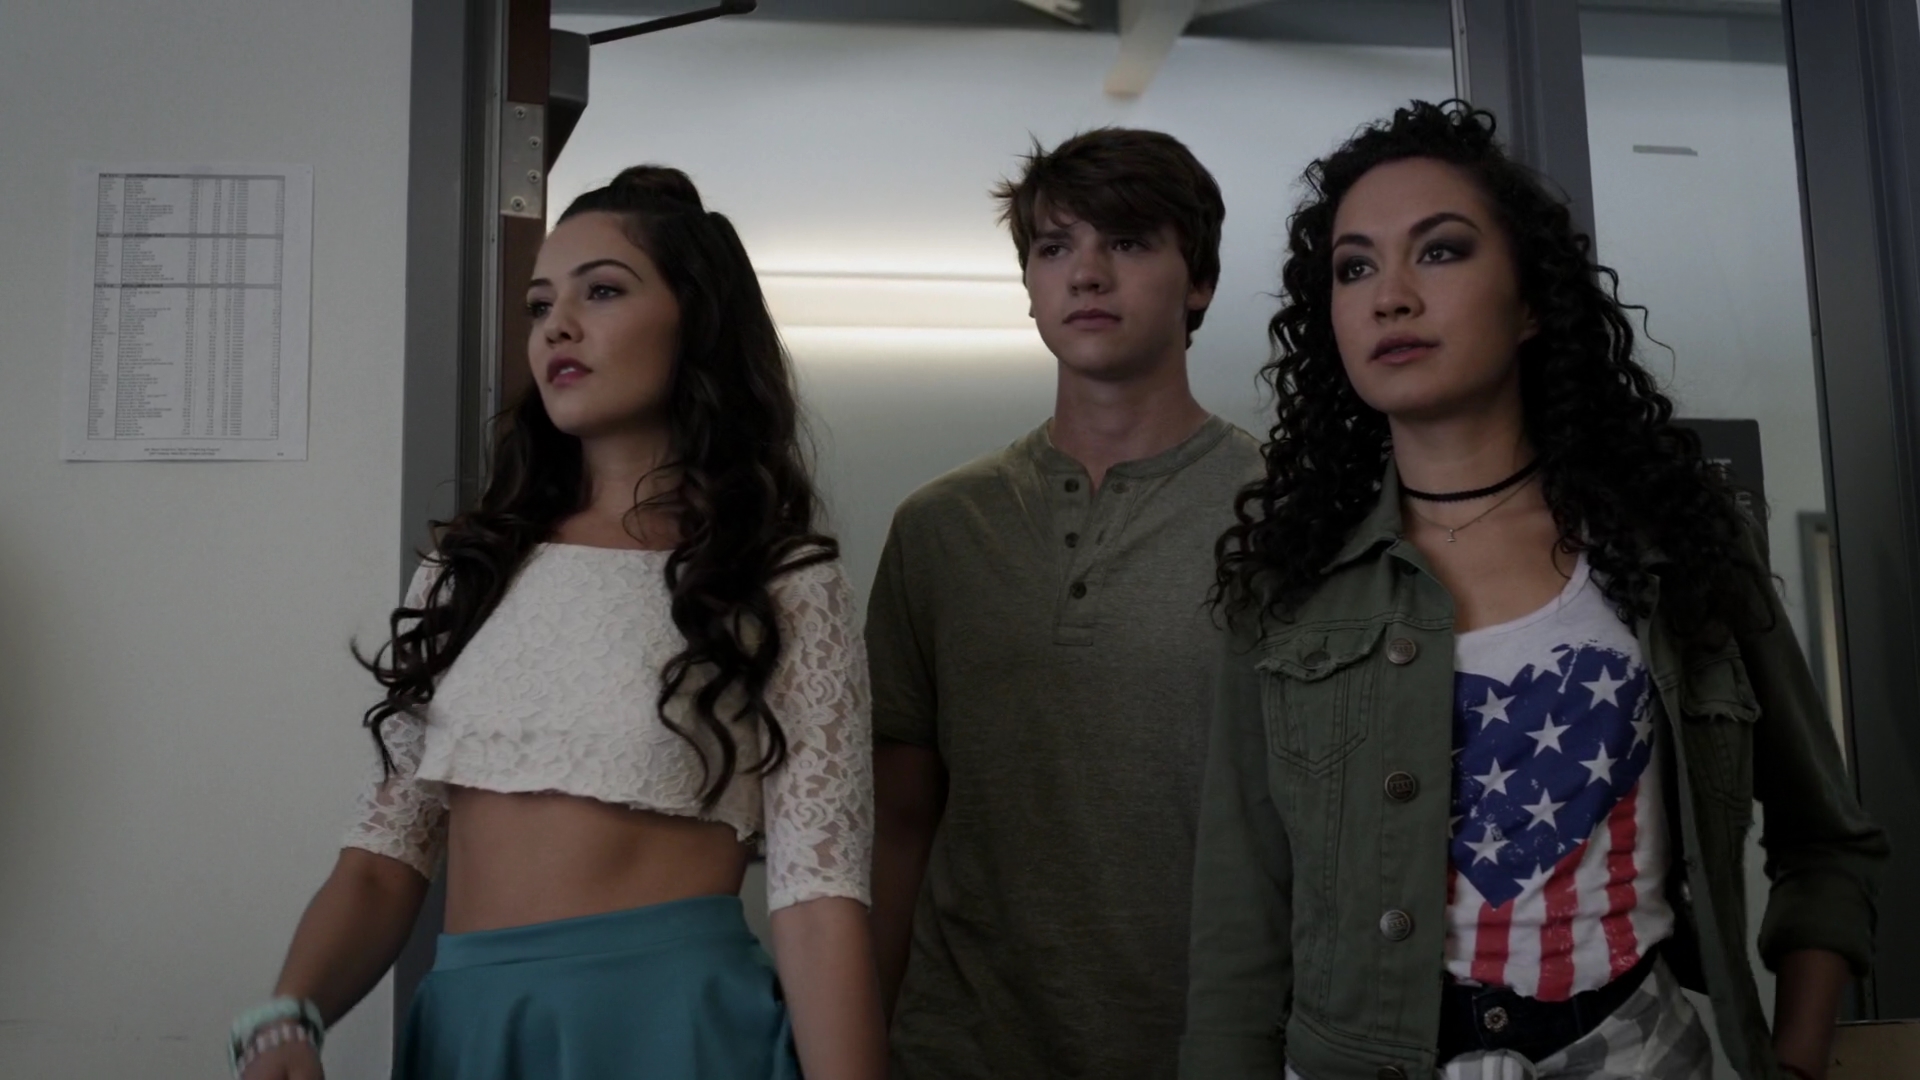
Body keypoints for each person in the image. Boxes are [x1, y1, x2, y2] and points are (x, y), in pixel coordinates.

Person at [1183, 100, 1887, 1080]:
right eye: (1354, 268)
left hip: (1636, 1052)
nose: (1390, 296)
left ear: (1531, 303)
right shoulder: (1288, 583)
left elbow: (1824, 841)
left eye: (1440, 252)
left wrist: (1798, 1058)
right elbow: (1239, 927)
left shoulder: (1677, 547)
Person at [228, 167, 885, 1080]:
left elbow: (818, 899)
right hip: (471, 1036)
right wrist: (285, 1018)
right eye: (541, 306)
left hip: (679, 1037)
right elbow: (382, 858)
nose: (557, 328)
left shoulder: (778, 580)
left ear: (697, 320)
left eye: (602, 292)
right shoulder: (466, 571)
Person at [867, 128, 1264, 1080]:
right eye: (1055, 247)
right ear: (1030, 285)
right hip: (960, 1050)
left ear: (1200, 281)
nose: (1086, 273)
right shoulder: (938, 527)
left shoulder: (1286, 516)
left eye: (1126, 241)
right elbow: (897, 823)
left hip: (1208, 1046)